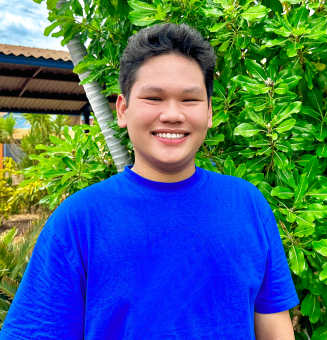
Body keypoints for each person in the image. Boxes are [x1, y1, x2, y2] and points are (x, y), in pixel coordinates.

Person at [0, 23, 299, 339]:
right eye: (154, 98)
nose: (172, 114)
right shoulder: (79, 220)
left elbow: (274, 324)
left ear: (210, 112)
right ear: (123, 109)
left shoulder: (248, 205)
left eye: (190, 100)